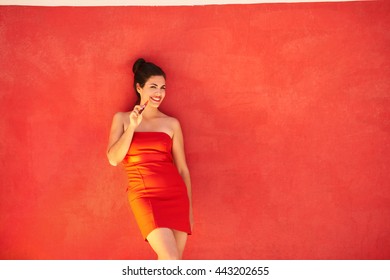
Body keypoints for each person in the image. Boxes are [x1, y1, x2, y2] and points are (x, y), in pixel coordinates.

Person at [106, 58, 193, 260]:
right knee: (171, 261)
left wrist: (190, 210)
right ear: (139, 87)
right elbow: (113, 159)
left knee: (172, 264)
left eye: (163, 87)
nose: (159, 93)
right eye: (153, 86)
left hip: (176, 196)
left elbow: (183, 171)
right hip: (145, 196)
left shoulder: (171, 123)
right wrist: (133, 127)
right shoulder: (122, 119)